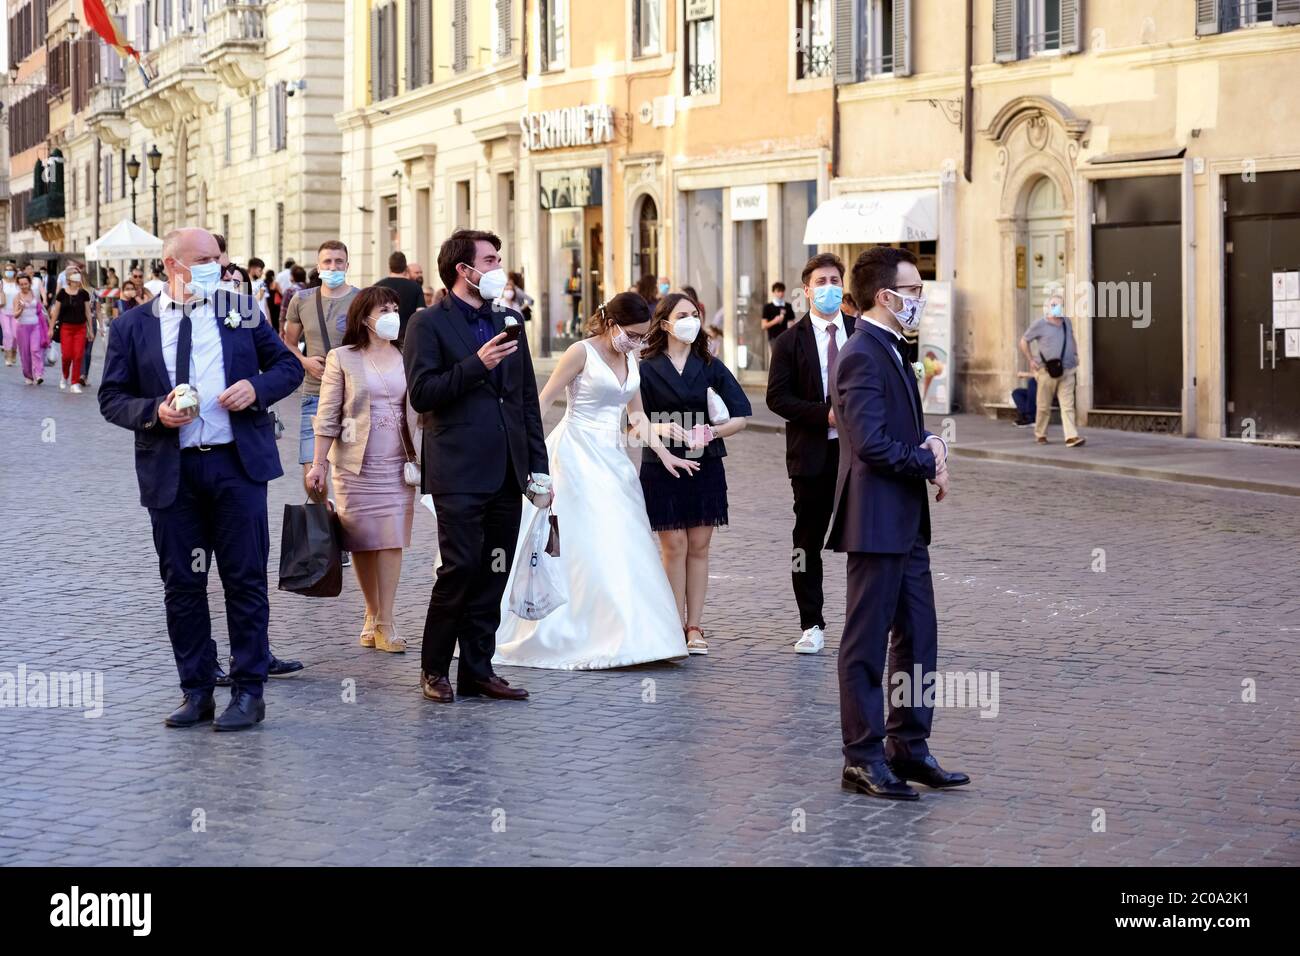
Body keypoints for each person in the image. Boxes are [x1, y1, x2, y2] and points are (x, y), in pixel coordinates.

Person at [97, 227, 305, 730]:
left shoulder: (242, 309)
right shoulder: (132, 327)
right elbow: (111, 397)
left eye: (219, 256)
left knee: (245, 580)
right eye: (206, 258)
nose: (218, 264)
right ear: (173, 265)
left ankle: (249, 691)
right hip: (174, 473)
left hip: (236, 467)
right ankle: (196, 689)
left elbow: (287, 367)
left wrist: (254, 389)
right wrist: (154, 413)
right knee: (183, 586)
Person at [827, 245, 967, 800]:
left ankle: (908, 746)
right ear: (884, 296)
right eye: (912, 290)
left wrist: (929, 441)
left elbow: (898, 431)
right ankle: (862, 757)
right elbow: (870, 444)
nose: (920, 298)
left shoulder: (893, 348)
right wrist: (925, 459)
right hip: (876, 520)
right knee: (866, 643)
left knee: (918, 638)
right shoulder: (862, 351)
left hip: (906, 524)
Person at [494, 292, 695, 670]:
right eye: (632, 334)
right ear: (611, 323)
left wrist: (665, 454)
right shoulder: (580, 353)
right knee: (583, 539)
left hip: (613, 459)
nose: (636, 342)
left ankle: (638, 635)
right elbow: (544, 401)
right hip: (574, 454)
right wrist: (526, 452)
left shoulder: (631, 357)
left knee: (623, 537)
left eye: (642, 336)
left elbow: (637, 417)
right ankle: (582, 631)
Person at [403, 229, 549, 703]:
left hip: (508, 470)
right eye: (489, 259)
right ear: (463, 270)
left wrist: (538, 468)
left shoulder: (509, 318)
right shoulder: (428, 323)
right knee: (460, 568)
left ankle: (478, 670)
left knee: (493, 570)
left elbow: (526, 399)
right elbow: (423, 394)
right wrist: (476, 364)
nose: (497, 267)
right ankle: (434, 669)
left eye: (498, 258)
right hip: (458, 470)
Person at [633, 292, 751, 655]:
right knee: (674, 545)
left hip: (706, 459)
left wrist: (712, 432)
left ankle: (695, 626)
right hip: (661, 462)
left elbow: (742, 416)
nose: (692, 320)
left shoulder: (711, 364)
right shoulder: (645, 366)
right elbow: (629, 423)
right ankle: (671, 622)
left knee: (699, 545)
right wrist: (659, 430)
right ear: (665, 323)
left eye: (695, 314)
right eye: (683, 314)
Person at [307, 287, 417, 653]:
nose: (392, 314)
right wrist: (318, 463)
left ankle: (387, 620)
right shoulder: (343, 357)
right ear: (365, 316)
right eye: (384, 308)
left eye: (395, 307)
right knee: (363, 541)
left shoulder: (408, 355)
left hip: (398, 462)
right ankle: (371, 613)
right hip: (355, 464)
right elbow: (327, 415)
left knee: (391, 538)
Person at [766, 252, 854, 655]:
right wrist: (826, 416)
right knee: (806, 543)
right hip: (813, 457)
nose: (829, 287)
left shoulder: (860, 332)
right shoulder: (789, 341)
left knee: (867, 538)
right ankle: (812, 623)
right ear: (806, 290)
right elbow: (777, 397)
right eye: (821, 281)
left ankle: (869, 621)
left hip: (861, 457)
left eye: (835, 280)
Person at [281, 241, 360, 500]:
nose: (333, 266)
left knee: (351, 471)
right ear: (318, 266)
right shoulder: (301, 300)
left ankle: (347, 525)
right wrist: (304, 361)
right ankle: (325, 514)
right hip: (315, 393)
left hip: (354, 397)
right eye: (327, 261)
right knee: (312, 474)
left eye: (339, 262)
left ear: (347, 265)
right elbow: (288, 343)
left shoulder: (361, 299)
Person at [1020, 288, 1086, 447]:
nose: (1058, 308)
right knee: (1043, 405)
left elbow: (1072, 338)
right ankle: (1040, 434)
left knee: (1067, 405)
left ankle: (1071, 436)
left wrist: (1076, 355)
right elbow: (1024, 341)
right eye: (1054, 305)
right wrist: (1030, 359)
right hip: (1047, 371)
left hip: (1068, 369)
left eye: (1061, 305)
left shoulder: (1067, 322)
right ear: (1048, 307)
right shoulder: (1040, 324)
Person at [51, 268, 93, 393]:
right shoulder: (62, 293)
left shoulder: (83, 294)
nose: (77, 282)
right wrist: (50, 328)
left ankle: (74, 383)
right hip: (66, 328)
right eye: (74, 279)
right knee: (67, 356)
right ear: (69, 281)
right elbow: (56, 311)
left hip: (80, 328)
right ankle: (64, 376)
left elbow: (88, 312)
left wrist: (90, 329)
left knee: (78, 355)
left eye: (78, 280)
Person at [372, 250, 424, 349]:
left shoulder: (377, 287)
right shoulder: (415, 287)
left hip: (382, 340)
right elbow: (421, 315)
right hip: (408, 340)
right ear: (405, 268)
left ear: (389, 267)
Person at [8, 273, 48, 384]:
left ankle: (39, 374)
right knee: (25, 353)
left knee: (35, 350)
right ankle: (29, 376)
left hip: (36, 326)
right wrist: (21, 309)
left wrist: (48, 326)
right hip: (22, 328)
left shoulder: (34, 294)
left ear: (30, 283)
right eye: (21, 284)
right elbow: (15, 315)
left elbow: (40, 311)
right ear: (18, 285)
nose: (24, 286)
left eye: (25, 283)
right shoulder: (17, 297)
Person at [2, 263, 19, 366]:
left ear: (14, 272)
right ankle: (8, 356)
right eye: (7, 270)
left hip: (16, 313)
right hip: (3, 311)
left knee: (15, 335)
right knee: (7, 333)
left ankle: (14, 352)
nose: (9, 272)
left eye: (11, 270)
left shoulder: (18, 283)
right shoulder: (1, 283)